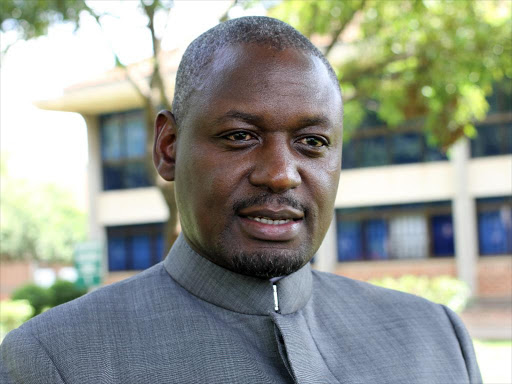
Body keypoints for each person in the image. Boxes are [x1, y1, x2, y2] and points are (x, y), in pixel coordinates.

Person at [1, 16, 481, 384]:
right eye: (240, 136)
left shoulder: (435, 337)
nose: (279, 175)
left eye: (312, 142)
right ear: (168, 148)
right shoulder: (54, 361)